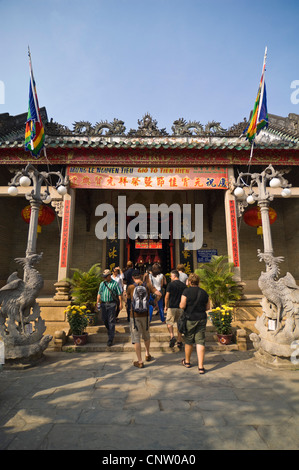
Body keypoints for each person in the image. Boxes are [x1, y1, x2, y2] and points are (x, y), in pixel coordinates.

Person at [127, 269, 162, 368]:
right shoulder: (147, 286)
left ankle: (140, 361)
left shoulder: (131, 287)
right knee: (146, 335)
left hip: (134, 315)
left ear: (133, 277)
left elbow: (128, 299)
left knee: (136, 338)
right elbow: (159, 294)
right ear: (141, 276)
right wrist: (154, 302)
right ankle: (147, 354)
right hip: (146, 315)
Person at [179, 273, 210, 374]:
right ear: (198, 282)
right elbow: (208, 307)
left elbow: (182, 306)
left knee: (189, 340)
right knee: (200, 341)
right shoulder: (204, 293)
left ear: (190, 282)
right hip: (201, 318)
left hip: (190, 318)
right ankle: (201, 367)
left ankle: (187, 362)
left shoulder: (186, 291)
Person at [97, 269, 123, 347]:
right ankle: (111, 330)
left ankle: (110, 339)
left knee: (111, 320)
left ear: (109, 276)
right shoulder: (102, 284)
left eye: (105, 277)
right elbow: (99, 293)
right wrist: (97, 302)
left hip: (112, 304)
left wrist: (120, 303)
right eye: (104, 277)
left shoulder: (115, 284)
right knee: (104, 319)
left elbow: (119, 294)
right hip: (103, 304)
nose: (104, 278)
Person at [164, 269, 186, 349]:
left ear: (174, 276)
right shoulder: (183, 285)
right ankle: (179, 341)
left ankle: (172, 336)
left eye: (170, 276)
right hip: (181, 307)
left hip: (172, 306)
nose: (170, 278)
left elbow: (167, 296)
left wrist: (166, 305)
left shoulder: (170, 285)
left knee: (169, 322)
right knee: (180, 324)